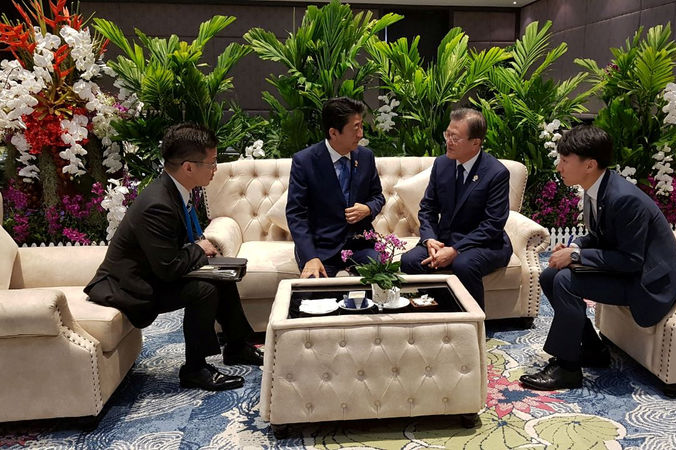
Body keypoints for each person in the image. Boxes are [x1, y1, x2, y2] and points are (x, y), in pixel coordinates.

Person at [85, 123, 262, 392]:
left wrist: (199, 251)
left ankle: (237, 346)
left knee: (222, 273)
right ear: (188, 167)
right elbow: (168, 269)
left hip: (154, 271)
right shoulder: (159, 204)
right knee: (203, 288)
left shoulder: (176, 189)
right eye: (212, 163)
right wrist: (199, 249)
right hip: (130, 286)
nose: (215, 169)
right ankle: (195, 369)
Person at [520, 124, 676, 391]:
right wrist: (574, 246)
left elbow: (631, 259)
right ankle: (592, 348)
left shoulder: (623, 199)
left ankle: (568, 368)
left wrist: (575, 255)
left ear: (589, 165)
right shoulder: (597, 188)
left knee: (565, 280)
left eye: (565, 160)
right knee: (551, 274)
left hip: (649, 283)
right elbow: (602, 237)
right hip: (628, 270)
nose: (558, 167)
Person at [400, 108, 512, 309]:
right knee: (410, 261)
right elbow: (428, 208)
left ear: (475, 142)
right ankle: (434, 313)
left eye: (455, 137)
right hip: (445, 238)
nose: (448, 141)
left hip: (485, 244)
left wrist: (455, 250)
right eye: (447, 134)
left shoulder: (496, 173)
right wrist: (429, 239)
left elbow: (492, 225)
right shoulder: (442, 164)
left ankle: (473, 324)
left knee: (464, 264)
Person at [286, 97, 385, 278]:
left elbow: (378, 196)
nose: (361, 134)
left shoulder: (365, 157)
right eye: (355, 128)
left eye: (361, 126)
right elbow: (296, 214)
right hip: (321, 248)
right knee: (316, 298)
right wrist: (310, 256)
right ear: (333, 133)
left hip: (359, 245)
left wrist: (368, 208)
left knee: (381, 282)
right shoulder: (305, 161)